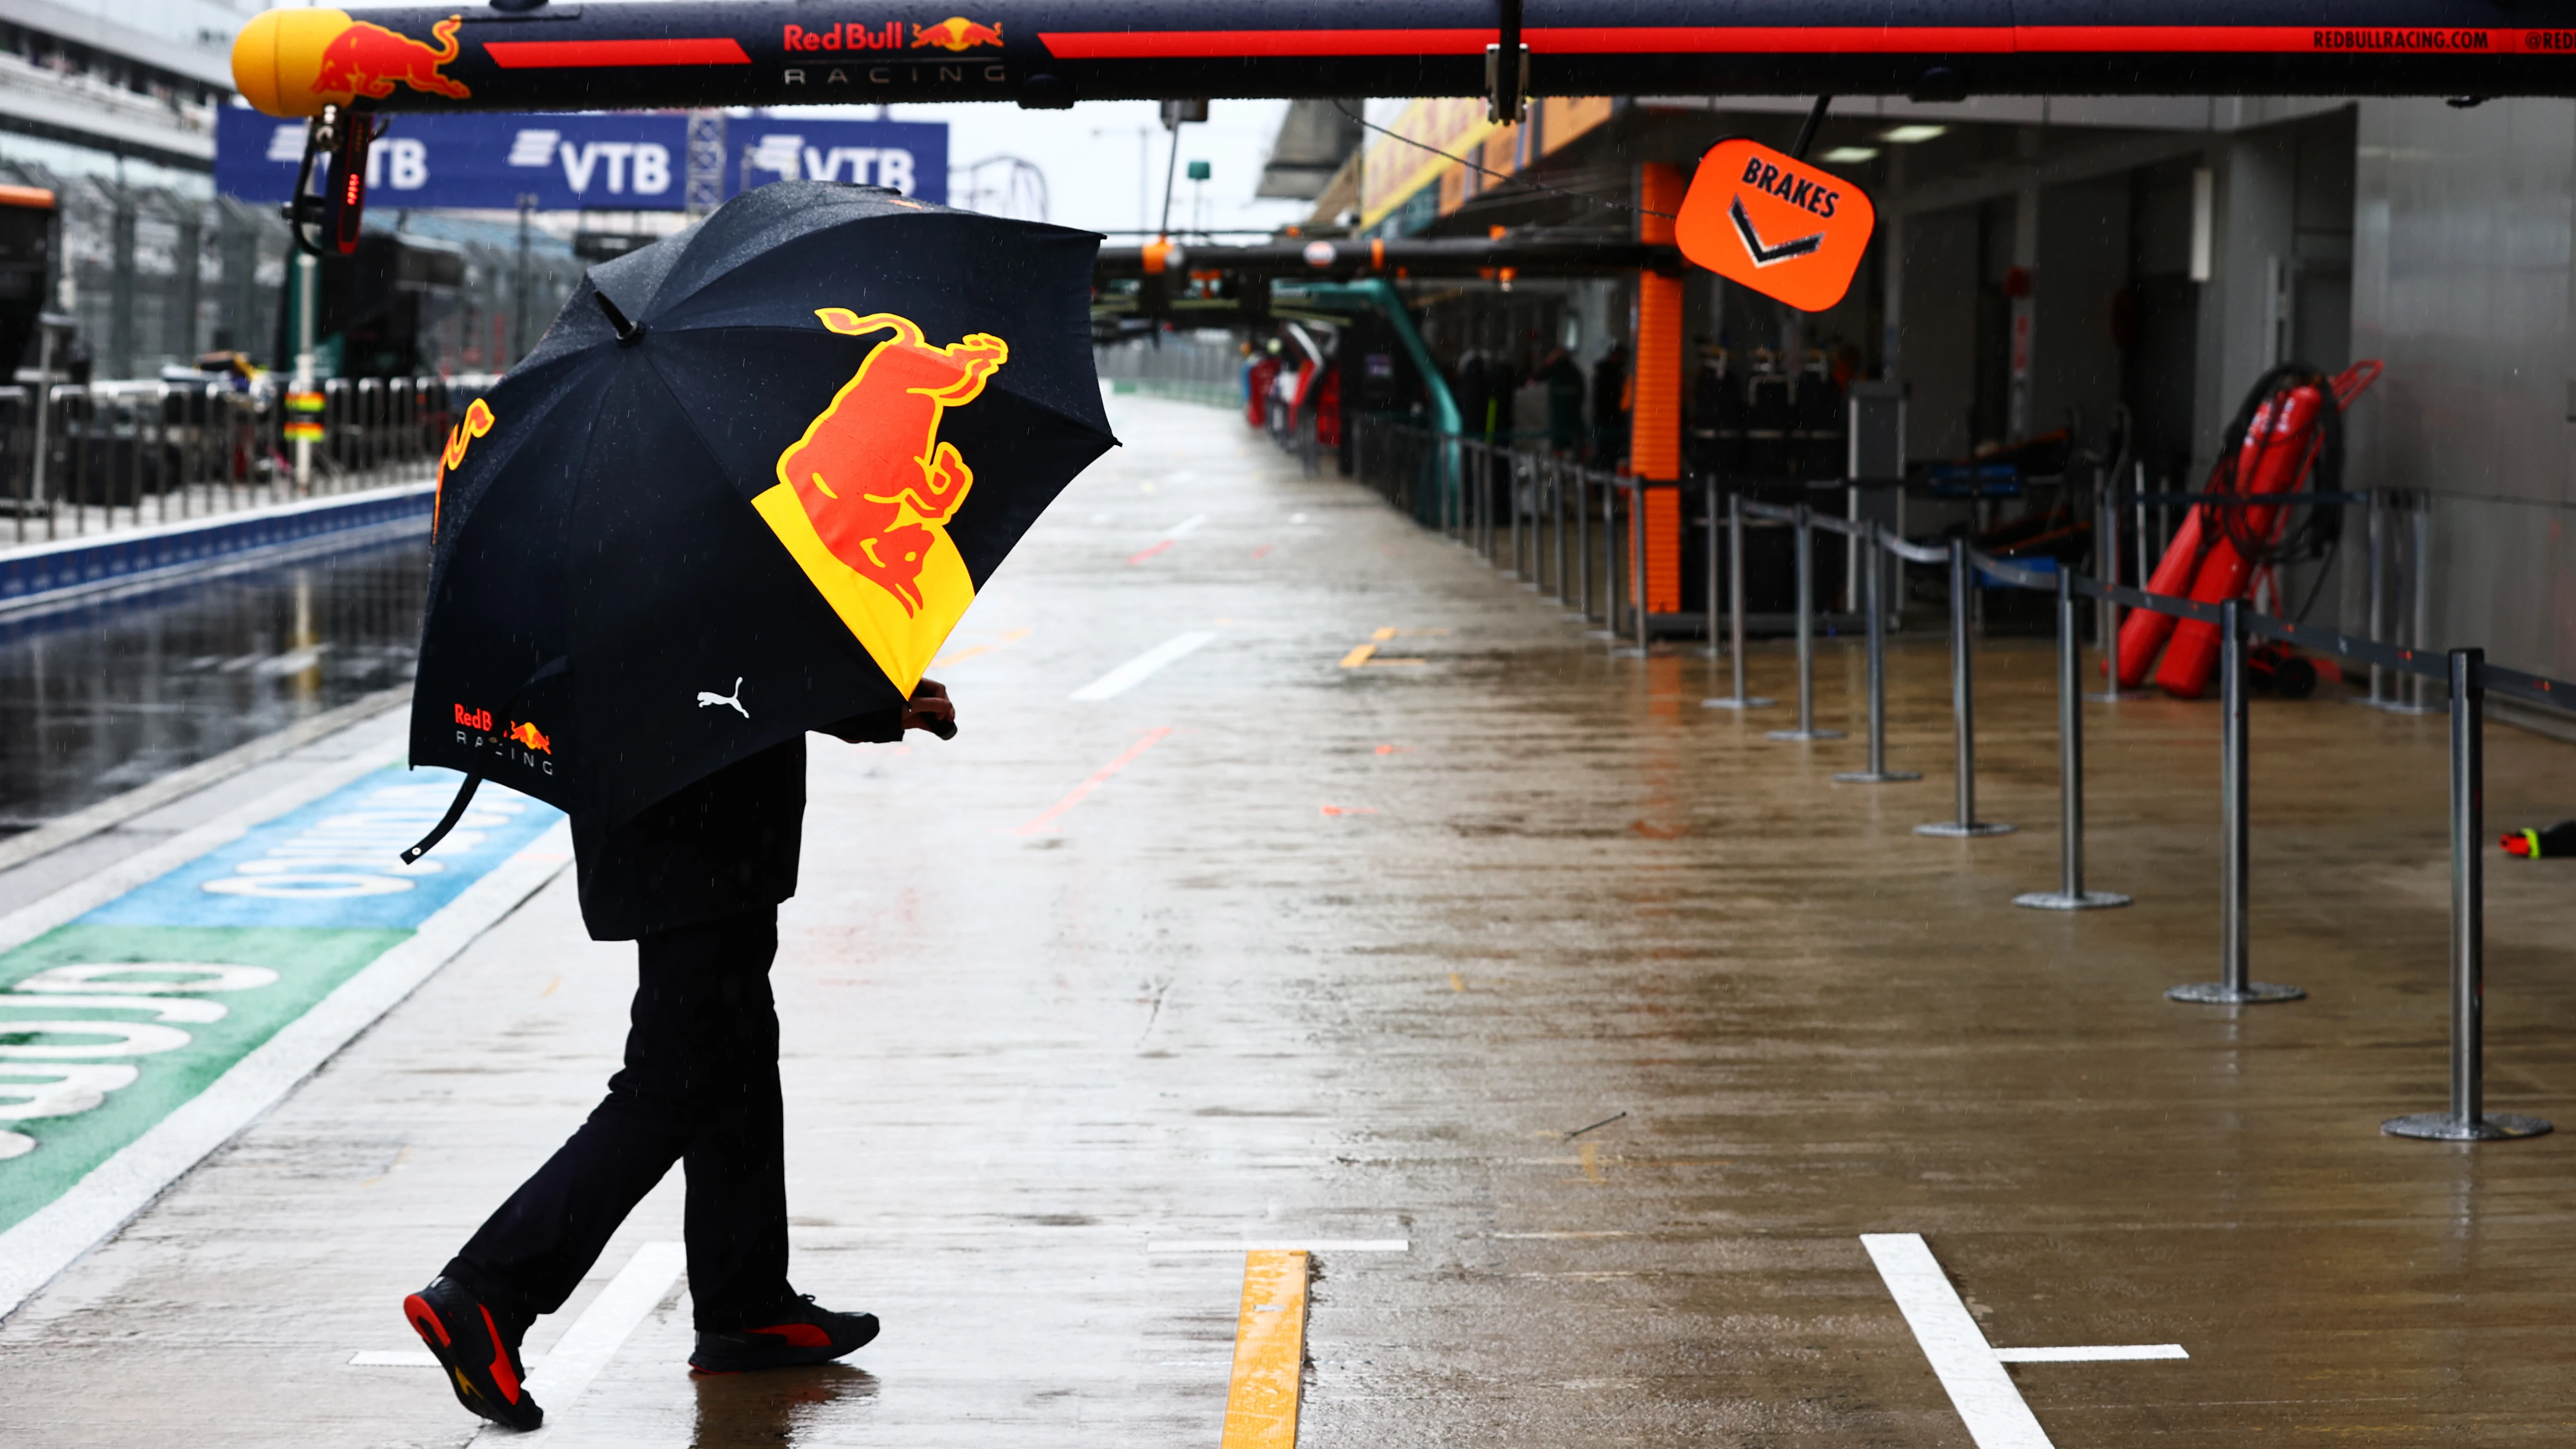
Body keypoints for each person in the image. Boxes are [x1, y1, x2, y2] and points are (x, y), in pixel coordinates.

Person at [402, 681, 957, 1430]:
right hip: (705, 818)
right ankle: (490, 1289)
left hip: (650, 805)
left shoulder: (590, 566)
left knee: (738, 1050)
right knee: (675, 1079)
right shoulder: (691, 560)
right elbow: (741, 659)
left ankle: (748, 1305)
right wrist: (869, 706)